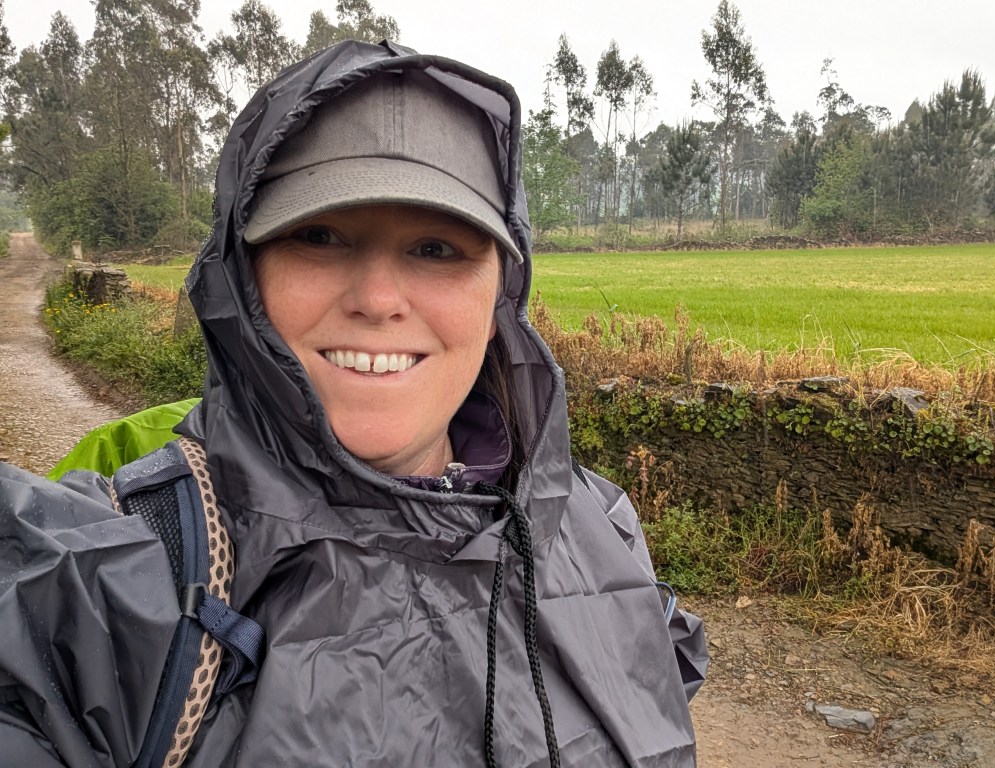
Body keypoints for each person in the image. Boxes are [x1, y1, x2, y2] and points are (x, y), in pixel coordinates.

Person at [0, 39, 707, 766]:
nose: (377, 299)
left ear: (500, 293)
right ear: (243, 279)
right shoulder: (111, 591)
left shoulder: (598, 530)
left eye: (436, 248)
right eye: (319, 236)